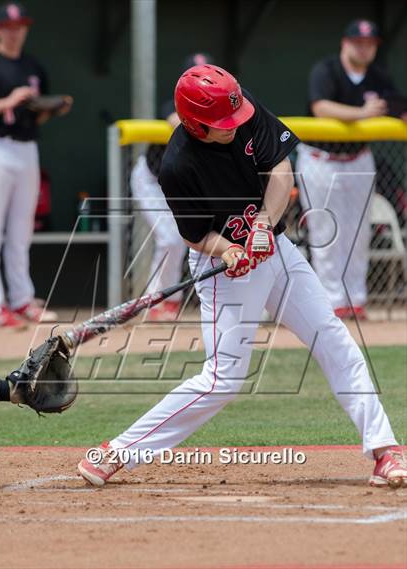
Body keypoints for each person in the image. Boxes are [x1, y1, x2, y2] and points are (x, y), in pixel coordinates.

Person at [78, 64, 406, 489]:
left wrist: (264, 226)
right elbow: (196, 236)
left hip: (275, 248)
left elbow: (281, 171)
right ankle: (117, 451)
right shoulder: (178, 166)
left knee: (333, 335)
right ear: (196, 124)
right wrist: (231, 249)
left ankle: (385, 450)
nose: (234, 125)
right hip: (224, 269)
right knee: (223, 378)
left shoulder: (241, 109)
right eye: (221, 124)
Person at [296, 19, 404, 320]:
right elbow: (321, 108)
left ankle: (356, 300)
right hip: (321, 160)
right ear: (346, 43)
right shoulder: (327, 70)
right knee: (326, 232)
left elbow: (397, 106)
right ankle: (331, 302)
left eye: (370, 43)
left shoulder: (378, 77)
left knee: (358, 234)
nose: (365, 47)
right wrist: (362, 114)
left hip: (358, 159)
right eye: (359, 42)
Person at [0, 2, 72, 329]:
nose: (14, 30)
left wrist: (54, 108)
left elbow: (38, 111)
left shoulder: (32, 65)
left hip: (27, 149)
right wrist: (9, 101)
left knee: (22, 230)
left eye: (19, 25)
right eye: (8, 26)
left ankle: (22, 299)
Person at [130, 53, 213, 321]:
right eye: (196, 76)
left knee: (184, 239)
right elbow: (176, 121)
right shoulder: (173, 103)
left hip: (181, 186)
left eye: (206, 76)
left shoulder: (219, 112)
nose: (202, 81)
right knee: (170, 239)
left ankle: (164, 301)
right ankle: (160, 300)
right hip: (152, 180)